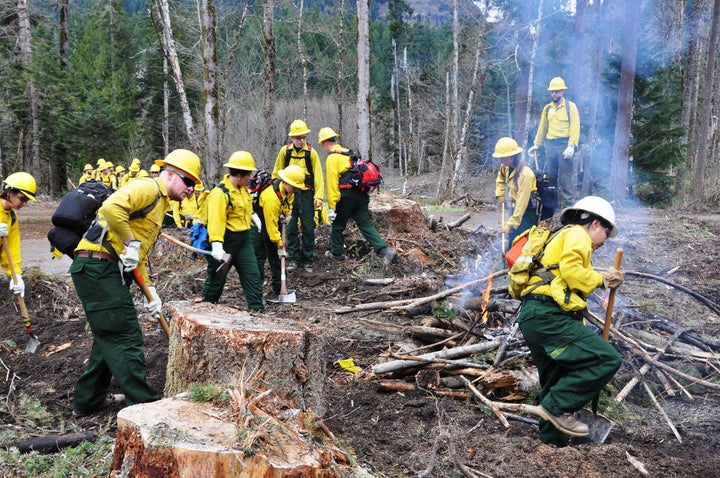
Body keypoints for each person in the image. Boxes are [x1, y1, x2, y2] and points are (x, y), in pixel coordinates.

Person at [69, 148, 201, 416]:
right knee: (124, 335)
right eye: (188, 181)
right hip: (97, 267)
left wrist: (149, 289)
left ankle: (87, 401)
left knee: (108, 336)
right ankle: (145, 404)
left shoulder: (161, 203)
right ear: (171, 174)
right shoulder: (147, 187)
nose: (190, 189)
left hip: (105, 269)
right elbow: (111, 207)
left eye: (193, 185)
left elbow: (136, 255)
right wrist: (130, 242)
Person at [515, 195, 624, 447]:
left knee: (555, 380)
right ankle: (555, 407)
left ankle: (551, 444)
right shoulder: (578, 235)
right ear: (595, 224)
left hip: (533, 317)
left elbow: (565, 276)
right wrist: (603, 280)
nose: (604, 242)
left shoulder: (561, 235)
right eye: (606, 234)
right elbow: (573, 274)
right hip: (548, 316)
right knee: (606, 358)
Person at [317, 127, 396, 265]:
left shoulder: (332, 158)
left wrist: (331, 207)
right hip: (361, 194)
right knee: (364, 223)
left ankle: (336, 255)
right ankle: (384, 251)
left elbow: (332, 185)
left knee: (338, 225)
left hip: (346, 195)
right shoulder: (349, 153)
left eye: (322, 145)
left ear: (324, 143)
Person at [200, 151, 264, 312]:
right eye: (248, 174)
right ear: (241, 175)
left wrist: (252, 215)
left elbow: (245, 208)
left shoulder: (243, 190)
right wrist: (216, 244)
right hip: (225, 241)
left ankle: (258, 312)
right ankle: (205, 310)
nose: (250, 177)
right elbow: (216, 220)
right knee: (217, 279)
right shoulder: (220, 193)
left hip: (244, 240)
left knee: (253, 276)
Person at [271, 119, 324, 273]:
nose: (301, 140)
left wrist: (319, 197)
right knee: (291, 226)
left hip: (307, 194)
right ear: (292, 138)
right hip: (288, 194)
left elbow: (318, 177)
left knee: (308, 227)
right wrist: (276, 192)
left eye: (303, 137)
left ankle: (308, 260)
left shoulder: (311, 153)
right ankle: (294, 258)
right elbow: (276, 172)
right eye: (298, 137)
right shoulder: (285, 152)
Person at [251, 165, 305, 302]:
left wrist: (286, 215)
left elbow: (289, 204)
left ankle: (279, 288)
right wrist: (280, 242)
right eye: (294, 186)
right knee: (259, 257)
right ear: (285, 182)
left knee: (275, 257)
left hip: (272, 221)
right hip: (257, 222)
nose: (296, 190)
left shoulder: (289, 192)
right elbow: (270, 227)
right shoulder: (271, 198)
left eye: (297, 187)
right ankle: (255, 293)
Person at [528, 77, 580, 209]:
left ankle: (567, 210)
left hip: (564, 146)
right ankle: (550, 209)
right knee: (550, 179)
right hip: (550, 146)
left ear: (562, 91)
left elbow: (575, 127)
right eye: (552, 92)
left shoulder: (570, 107)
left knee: (565, 180)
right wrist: (537, 144)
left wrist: (571, 146)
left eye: (556, 91)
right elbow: (542, 128)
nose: (554, 94)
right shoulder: (547, 109)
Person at [493, 137, 538, 248]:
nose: (500, 161)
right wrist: (500, 193)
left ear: (511, 157)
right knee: (511, 242)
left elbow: (522, 203)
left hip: (527, 213)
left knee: (522, 244)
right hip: (515, 210)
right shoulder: (506, 167)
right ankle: (509, 263)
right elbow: (500, 178)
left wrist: (511, 224)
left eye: (502, 158)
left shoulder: (525, 174)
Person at [1, 172, 37, 300]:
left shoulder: (12, 217)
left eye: (27, 200)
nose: (24, 203)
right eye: (22, 198)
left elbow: (11, 249)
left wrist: (16, 275)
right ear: (9, 192)